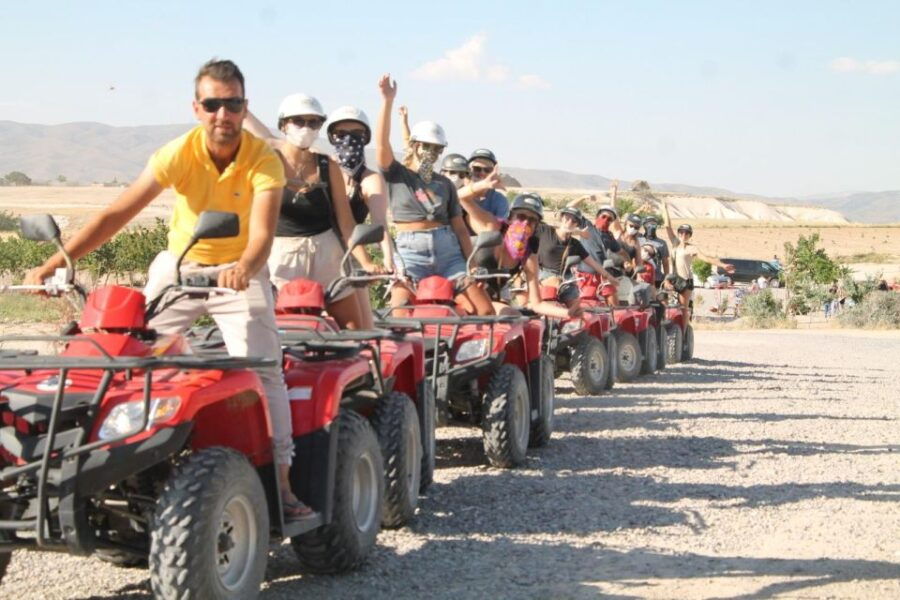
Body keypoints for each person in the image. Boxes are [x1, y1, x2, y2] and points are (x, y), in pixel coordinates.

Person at [25, 59, 308, 519]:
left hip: (238, 271)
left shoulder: (262, 159)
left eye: (232, 104)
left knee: (263, 368)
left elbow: (262, 235)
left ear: (244, 107)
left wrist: (244, 268)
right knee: (120, 353)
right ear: (196, 108)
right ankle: (116, 464)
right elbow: (116, 215)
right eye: (213, 104)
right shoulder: (178, 152)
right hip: (180, 265)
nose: (223, 114)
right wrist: (56, 263)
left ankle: (282, 481)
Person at [243, 94, 378, 329]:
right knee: (282, 333)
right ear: (284, 124)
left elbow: (346, 222)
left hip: (327, 255)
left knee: (357, 333)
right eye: (299, 121)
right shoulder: (266, 164)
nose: (306, 128)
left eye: (313, 122)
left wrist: (366, 262)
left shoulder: (327, 166)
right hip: (282, 259)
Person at [375, 74, 494, 315]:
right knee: (399, 315)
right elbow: (381, 146)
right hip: (411, 254)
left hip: (447, 253)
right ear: (415, 145)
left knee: (483, 311)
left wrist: (471, 265)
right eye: (426, 146)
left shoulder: (445, 184)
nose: (431, 152)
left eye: (437, 148)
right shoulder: (398, 175)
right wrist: (387, 101)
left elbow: (460, 228)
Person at [463, 192, 584, 318]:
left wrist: (567, 313)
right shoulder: (493, 228)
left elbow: (536, 303)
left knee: (528, 321)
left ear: (537, 225)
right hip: (463, 289)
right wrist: (480, 186)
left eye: (532, 220)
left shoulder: (529, 255)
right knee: (510, 316)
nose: (525, 223)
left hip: (491, 298)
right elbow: (463, 198)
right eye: (521, 217)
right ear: (510, 217)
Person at [325, 105, 394, 322]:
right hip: (319, 252)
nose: (349, 141)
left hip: (353, 256)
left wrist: (388, 261)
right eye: (341, 135)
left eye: (357, 135)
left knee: (363, 326)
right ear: (331, 138)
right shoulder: (320, 169)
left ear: (365, 139)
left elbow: (379, 222)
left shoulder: (369, 179)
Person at [662, 196, 734, 308]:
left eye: (687, 233)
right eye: (681, 232)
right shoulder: (675, 243)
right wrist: (664, 209)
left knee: (683, 308)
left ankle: (684, 325)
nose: (683, 235)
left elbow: (706, 258)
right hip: (674, 279)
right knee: (666, 303)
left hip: (685, 281)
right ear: (679, 233)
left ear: (690, 236)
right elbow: (667, 227)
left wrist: (722, 265)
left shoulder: (692, 249)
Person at [458, 149, 509, 220]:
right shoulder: (458, 190)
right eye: (477, 169)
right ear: (469, 170)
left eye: (487, 170)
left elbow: (498, 227)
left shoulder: (499, 200)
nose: (482, 173)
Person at [640, 216, 670, 287]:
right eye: (648, 224)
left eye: (653, 224)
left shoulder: (662, 243)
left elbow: (665, 263)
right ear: (644, 225)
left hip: (657, 278)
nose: (651, 226)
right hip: (641, 277)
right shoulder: (639, 240)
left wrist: (667, 280)